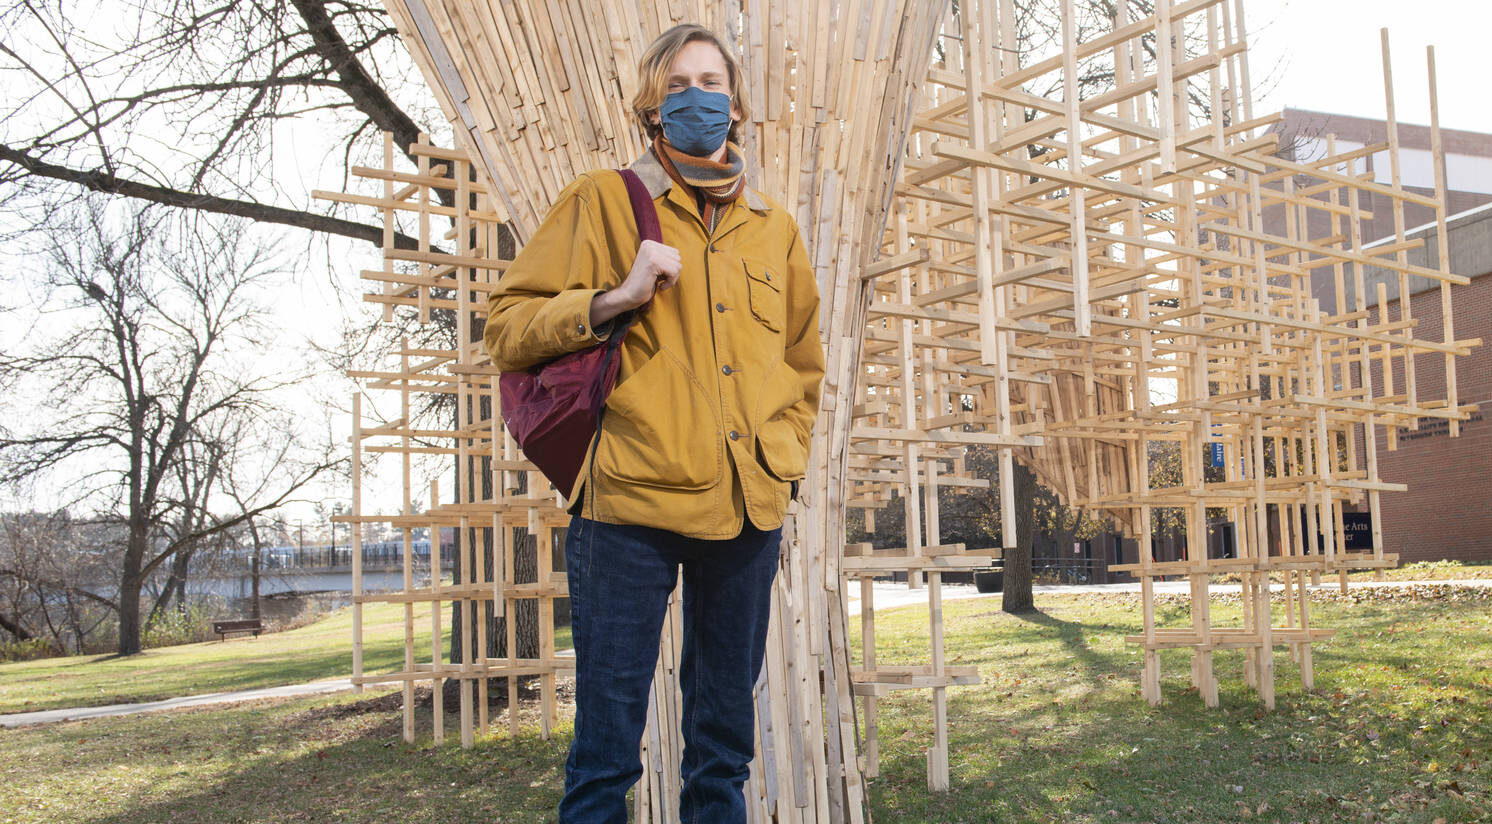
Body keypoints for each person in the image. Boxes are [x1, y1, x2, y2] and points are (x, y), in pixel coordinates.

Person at [483, 22, 825, 824]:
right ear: (650, 106)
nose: (697, 98)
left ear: (736, 105)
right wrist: (613, 299)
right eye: (677, 87)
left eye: (711, 83)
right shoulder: (604, 200)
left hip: (747, 509)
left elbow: (803, 361)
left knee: (722, 749)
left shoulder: (773, 226)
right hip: (628, 514)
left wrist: (786, 456)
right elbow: (505, 327)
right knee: (606, 753)